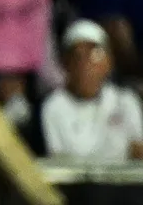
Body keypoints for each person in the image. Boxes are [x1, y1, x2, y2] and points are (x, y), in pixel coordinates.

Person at [41, 19, 143, 161]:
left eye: (95, 55)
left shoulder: (126, 101)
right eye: (78, 57)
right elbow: (59, 160)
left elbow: (138, 152)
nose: (85, 65)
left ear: (108, 63)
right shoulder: (54, 106)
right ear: (65, 64)